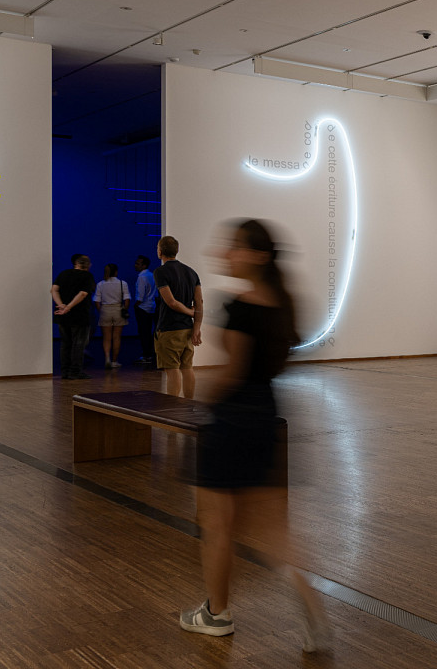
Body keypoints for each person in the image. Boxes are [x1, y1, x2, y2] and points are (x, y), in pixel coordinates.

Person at [178, 219, 328, 652]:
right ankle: (310, 606)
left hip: (231, 421)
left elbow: (232, 373)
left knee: (217, 524)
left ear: (259, 257)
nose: (226, 252)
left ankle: (216, 613)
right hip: (266, 414)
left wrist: (205, 403)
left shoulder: (241, 307)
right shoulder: (282, 305)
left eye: (235, 247)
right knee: (273, 530)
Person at [154, 236, 203, 398]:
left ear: (160, 252)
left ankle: (173, 410)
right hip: (187, 329)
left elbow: (171, 302)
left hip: (169, 328)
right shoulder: (191, 272)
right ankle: (189, 405)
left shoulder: (160, 272)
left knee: (172, 369)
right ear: (177, 251)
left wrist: (191, 313)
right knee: (187, 368)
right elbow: (199, 302)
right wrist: (196, 328)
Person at [51, 254, 96, 380]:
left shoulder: (64, 273)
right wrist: (68, 307)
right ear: (88, 265)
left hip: (63, 316)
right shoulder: (87, 276)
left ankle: (65, 371)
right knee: (79, 344)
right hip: (80, 315)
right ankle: (75, 372)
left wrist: (61, 305)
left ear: (75, 264)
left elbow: (54, 290)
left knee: (65, 344)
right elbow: (82, 293)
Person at [93, 263, 131, 369]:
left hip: (105, 310)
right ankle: (114, 361)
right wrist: (125, 309)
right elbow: (127, 299)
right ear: (116, 272)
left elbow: (96, 301)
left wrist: (101, 310)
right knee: (116, 337)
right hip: (118, 309)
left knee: (106, 337)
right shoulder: (122, 283)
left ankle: (107, 358)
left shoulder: (101, 284)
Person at [133, 255, 157, 365]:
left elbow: (140, 296)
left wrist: (135, 305)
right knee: (151, 332)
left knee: (144, 333)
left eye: (138, 263)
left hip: (143, 308)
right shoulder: (152, 275)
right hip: (152, 306)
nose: (135, 265)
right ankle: (152, 354)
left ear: (144, 265)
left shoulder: (141, 277)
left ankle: (146, 355)